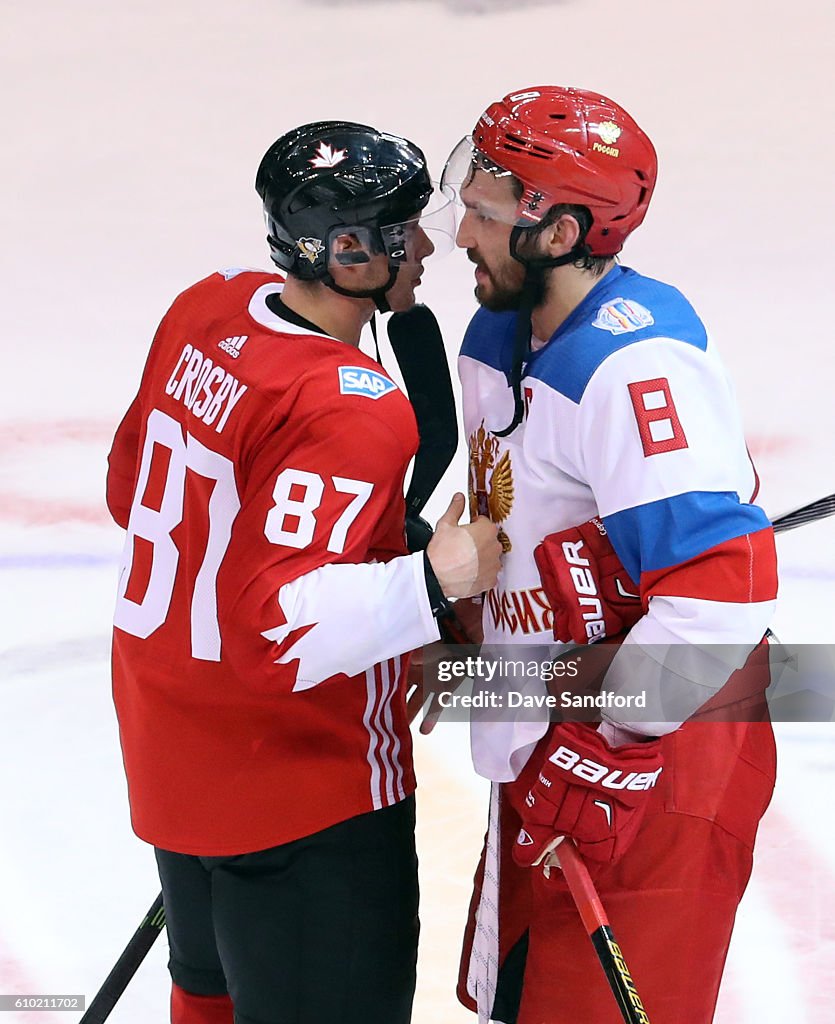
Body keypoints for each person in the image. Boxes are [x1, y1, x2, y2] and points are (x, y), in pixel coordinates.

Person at [105, 120, 502, 1024]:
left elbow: (128, 490)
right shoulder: (351, 408)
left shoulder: (206, 307)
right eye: (404, 231)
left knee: (205, 995)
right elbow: (275, 633)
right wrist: (433, 578)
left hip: (173, 749)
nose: (429, 245)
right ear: (349, 252)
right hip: (301, 787)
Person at [442, 87, 779, 1023]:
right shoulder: (495, 331)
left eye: (485, 210)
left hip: (658, 771)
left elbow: (719, 595)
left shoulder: (636, 371)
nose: (460, 232)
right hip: (556, 737)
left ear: (557, 234)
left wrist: (609, 747)